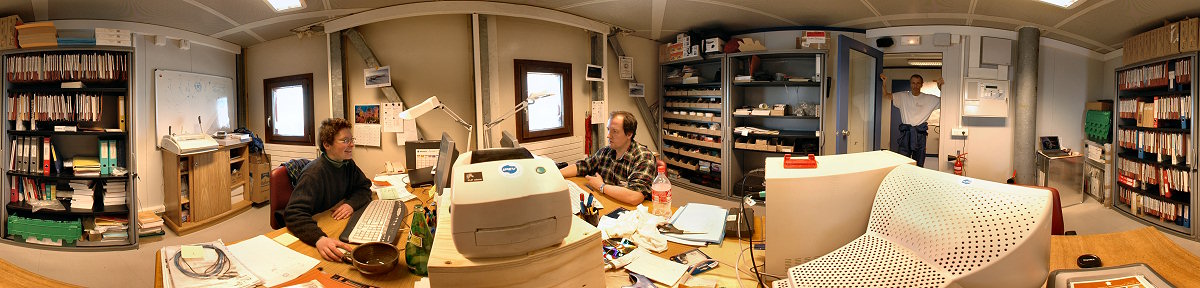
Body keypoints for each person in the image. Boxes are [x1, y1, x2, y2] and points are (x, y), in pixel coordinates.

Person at [284, 118, 373, 261]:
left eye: (352, 139)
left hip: (332, 221)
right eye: (345, 140)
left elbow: (364, 188)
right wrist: (319, 239)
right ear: (327, 144)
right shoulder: (313, 174)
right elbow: (293, 214)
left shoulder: (347, 164)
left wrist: (351, 204)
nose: (352, 145)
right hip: (314, 229)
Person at [560, 111, 656, 206]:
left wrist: (601, 186)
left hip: (632, 213)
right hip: (609, 203)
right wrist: (556, 175)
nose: (608, 135)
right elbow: (583, 166)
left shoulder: (644, 157)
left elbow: (635, 197)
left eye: (614, 131)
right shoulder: (606, 151)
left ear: (629, 134)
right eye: (608, 130)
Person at [881, 73, 943, 167]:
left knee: (919, 162)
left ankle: (916, 179)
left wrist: (940, 88)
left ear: (922, 84)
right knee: (902, 161)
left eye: (918, 83)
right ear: (910, 84)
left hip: (920, 135)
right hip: (906, 133)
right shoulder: (903, 96)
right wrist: (884, 82)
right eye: (913, 83)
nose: (915, 86)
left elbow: (945, 101)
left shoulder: (929, 98)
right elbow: (886, 95)